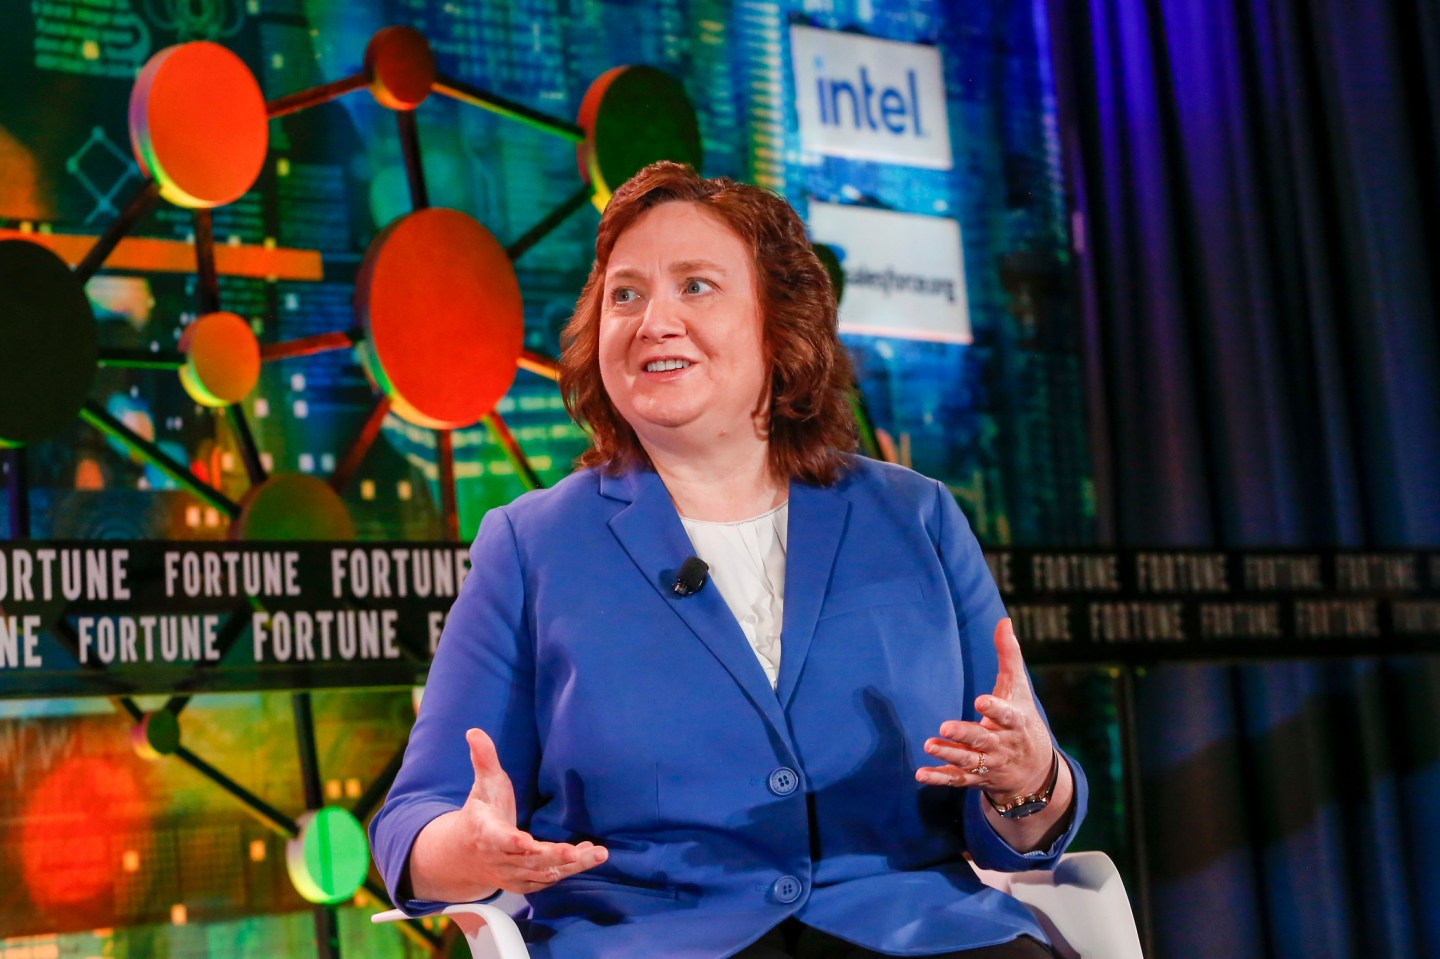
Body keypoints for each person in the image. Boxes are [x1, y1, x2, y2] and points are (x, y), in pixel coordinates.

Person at [369, 161, 1088, 959]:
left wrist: (1028, 778)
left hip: (916, 934)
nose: (654, 321)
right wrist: (469, 849)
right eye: (626, 294)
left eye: (697, 286)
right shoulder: (531, 544)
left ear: (780, 325)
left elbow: (1021, 821)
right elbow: (415, 818)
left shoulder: (915, 516)